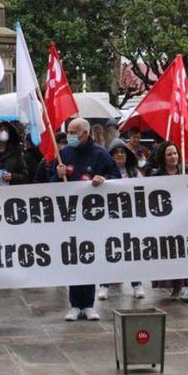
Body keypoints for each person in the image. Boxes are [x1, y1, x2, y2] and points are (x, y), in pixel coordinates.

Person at [49, 118, 118, 321]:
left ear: (85, 133)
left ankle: (88, 304)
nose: (69, 135)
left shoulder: (100, 155)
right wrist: (56, 173)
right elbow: (49, 183)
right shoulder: (64, 154)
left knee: (88, 257)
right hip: (69, 216)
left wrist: (104, 180)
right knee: (73, 258)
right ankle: (74, 304)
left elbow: (115, 175)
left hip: (92, 217)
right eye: (68, 131)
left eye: (74, 132)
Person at [151, 141, 188, 304]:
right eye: (169, 154)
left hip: (186, 218)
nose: (173, 157)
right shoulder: (156, 175)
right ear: (163, 158)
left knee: (187, 251)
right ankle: (177, 286)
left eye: (175, 153)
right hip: (167, 222)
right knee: (172, 253)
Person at [100, 138, 145, 300]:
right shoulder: (104, 174)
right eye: (116, 152)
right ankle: (104, 285)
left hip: (130, 219)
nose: (119, 155)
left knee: (131, 251)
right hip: (109, 219)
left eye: (122, 152)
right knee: (109, 251)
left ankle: (137, 284)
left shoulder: (135, 173)